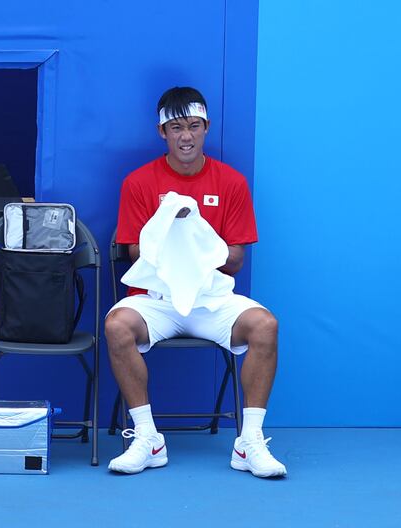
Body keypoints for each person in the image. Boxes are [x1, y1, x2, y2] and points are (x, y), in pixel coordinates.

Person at [105, 86, 286, 478]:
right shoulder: (138, 183)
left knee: (265, 326)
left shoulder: (231, 182)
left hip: (211, 298)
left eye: (194, 126)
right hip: (158, 299)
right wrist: (177, 238)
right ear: (162, 133)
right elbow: (135, 253)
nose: (186, 135)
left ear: (206, 128)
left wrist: (194, 238)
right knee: (117, 326)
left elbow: (235, 261)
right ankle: (148, 438)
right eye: (176, 127)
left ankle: (248, 442)